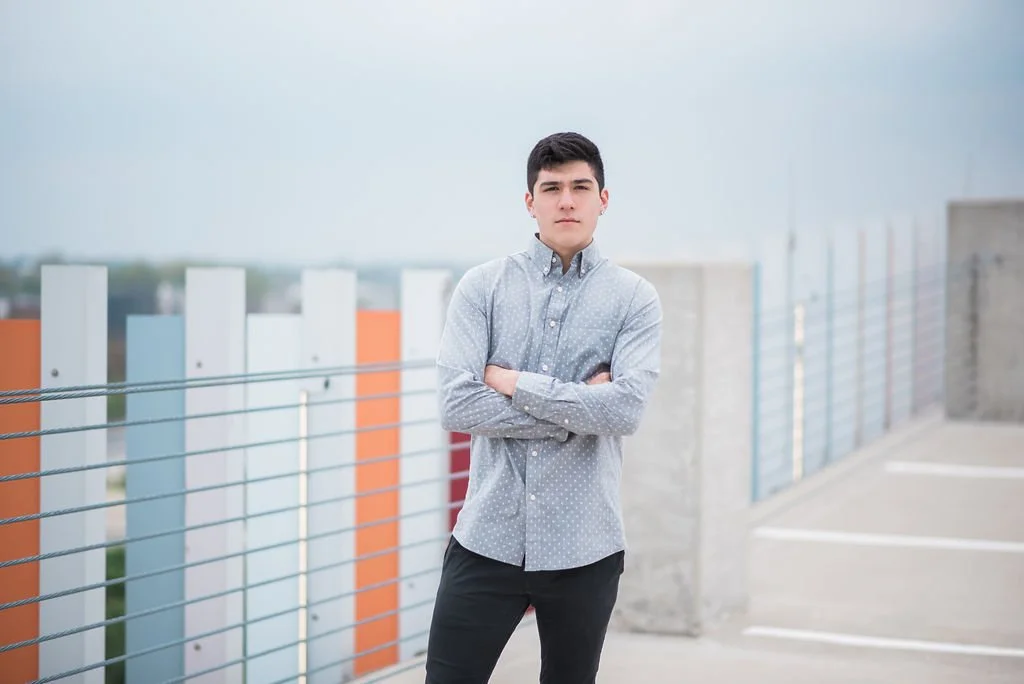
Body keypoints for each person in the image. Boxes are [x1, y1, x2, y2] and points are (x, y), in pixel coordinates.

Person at [425, 131, 663, 683]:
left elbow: (625, 411)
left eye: (581, 187)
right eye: (552, 188)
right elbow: (456, 405)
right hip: (486, 539)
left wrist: (512, 383)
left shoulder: (634, 298)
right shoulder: (482, 288)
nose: (567, 201)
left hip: (585, 548)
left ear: (603, 199)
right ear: (530, 201)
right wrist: (579, 410)